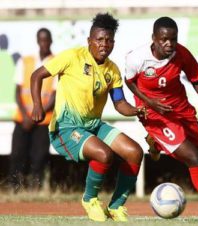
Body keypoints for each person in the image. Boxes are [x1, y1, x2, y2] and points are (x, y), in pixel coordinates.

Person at [30, 13, 145, 222]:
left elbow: (120, 103)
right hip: (65, 129)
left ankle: (116, 206)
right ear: (89, 41)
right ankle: (89, 199)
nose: (104, 44)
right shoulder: (72, 57)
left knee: (135, 152)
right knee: (104, 154)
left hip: (93, 126)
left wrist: (137, 110)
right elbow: (36, 75)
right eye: (99, 40)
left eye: (109, 40)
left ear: (113, 43)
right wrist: (37, 105)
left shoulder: (112, 70)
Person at [125, 16, 198, 221]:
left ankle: (156, 143)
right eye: (164, 39)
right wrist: (150, 102)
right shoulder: (137, 58)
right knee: (194, 157)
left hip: (182, 110)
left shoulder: (181, 54)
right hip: (155, 113)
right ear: (154, 39)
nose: (169, 44)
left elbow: (197, 81)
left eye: (173, 39)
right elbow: (130, 83)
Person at [8, 28, 56, 192]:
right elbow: (17, 92)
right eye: (41, 40)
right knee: (17, 155)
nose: (44, 43)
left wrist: (39, 113)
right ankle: (15, 189)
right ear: (37, 41)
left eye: (46, 40)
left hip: (43, 121)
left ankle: (35, 190)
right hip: (23, 119)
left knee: (39, 157)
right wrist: (26, 115)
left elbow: (54, 96)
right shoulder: (26, 61)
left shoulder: (56, 63)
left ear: (50, 41)